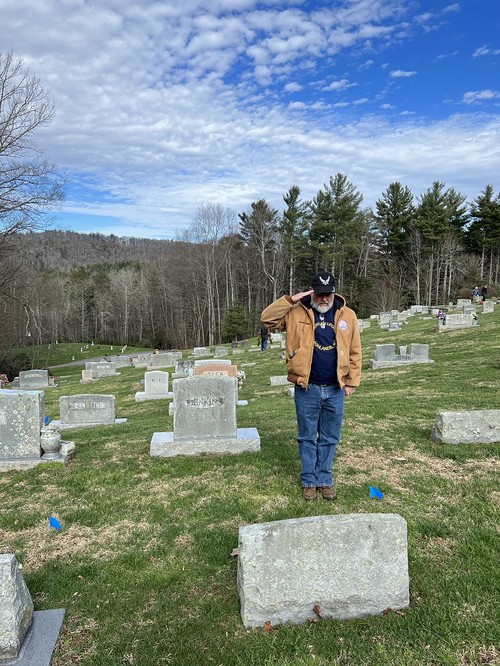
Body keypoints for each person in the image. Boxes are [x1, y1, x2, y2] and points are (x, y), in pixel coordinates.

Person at [261, 270, 361, 501]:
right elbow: (267, 319)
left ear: (334, 293)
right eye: (320, 294)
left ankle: (324, 479)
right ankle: (309, 480)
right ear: (311, 292)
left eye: (328, 294)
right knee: (307, 437)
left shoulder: (347, 315)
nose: (324, 299)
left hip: (335, 388)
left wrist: (351, 381)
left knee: (329, 437)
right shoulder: (296, 312)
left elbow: (355, 350)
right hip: (307, 387)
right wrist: (290, 300)